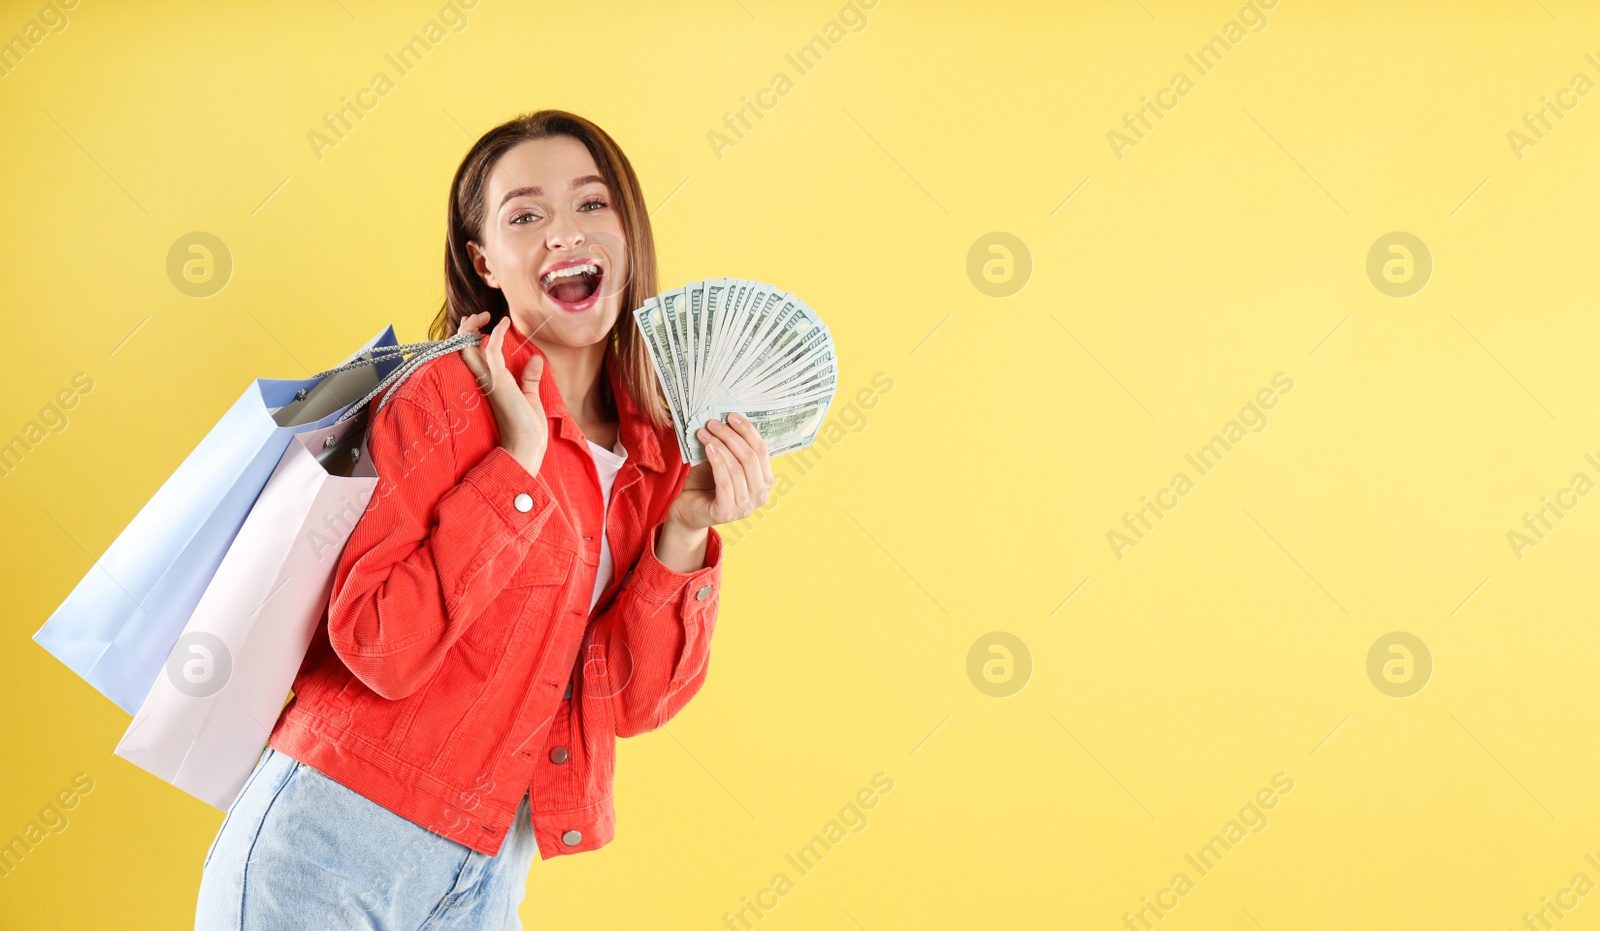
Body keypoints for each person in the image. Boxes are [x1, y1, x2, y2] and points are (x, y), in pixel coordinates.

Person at [195, 109, 773, 930]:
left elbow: (632, 701)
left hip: (492, 871)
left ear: (629, 234)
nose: (564, 234)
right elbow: (378, 646)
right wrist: (517, 464)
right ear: (486, 262)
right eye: (525, 216)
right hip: (325, 851)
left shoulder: (656, 449)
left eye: (591, 205)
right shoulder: (439, 400)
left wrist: (683, 531)